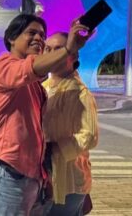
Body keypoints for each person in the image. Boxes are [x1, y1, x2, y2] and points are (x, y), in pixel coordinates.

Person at [0, 15, 92, 216]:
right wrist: (68, 48)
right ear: (12, 38)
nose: (39, 38)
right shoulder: (3, 66)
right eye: (31, 33)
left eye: (42, 35)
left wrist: (44, 178)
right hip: (7, 172)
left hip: (33, 179)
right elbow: (31, 67)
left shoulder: (37, 87)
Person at [42, 32, 99, 215]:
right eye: (47, 49)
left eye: (58, 49)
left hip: (69, 178)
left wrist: (55, 148)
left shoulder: (80, 93)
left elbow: (89, 135)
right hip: (43, 174)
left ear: (73, 55)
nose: (52, 54)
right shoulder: (42, 88)